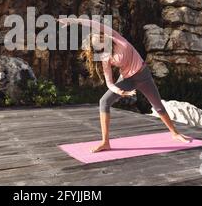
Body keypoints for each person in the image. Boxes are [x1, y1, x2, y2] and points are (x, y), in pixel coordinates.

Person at [57, 17, 191, 153]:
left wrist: (72, 21)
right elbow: (109, 82)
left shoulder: (116, 37)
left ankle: (174, 133)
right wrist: (119, 91)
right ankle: (105, 142)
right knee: (104, 101)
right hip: (127, 79)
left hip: (143, 75)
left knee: (157, 106)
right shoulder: (105, 57)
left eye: (100, 39)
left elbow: (93, 23)